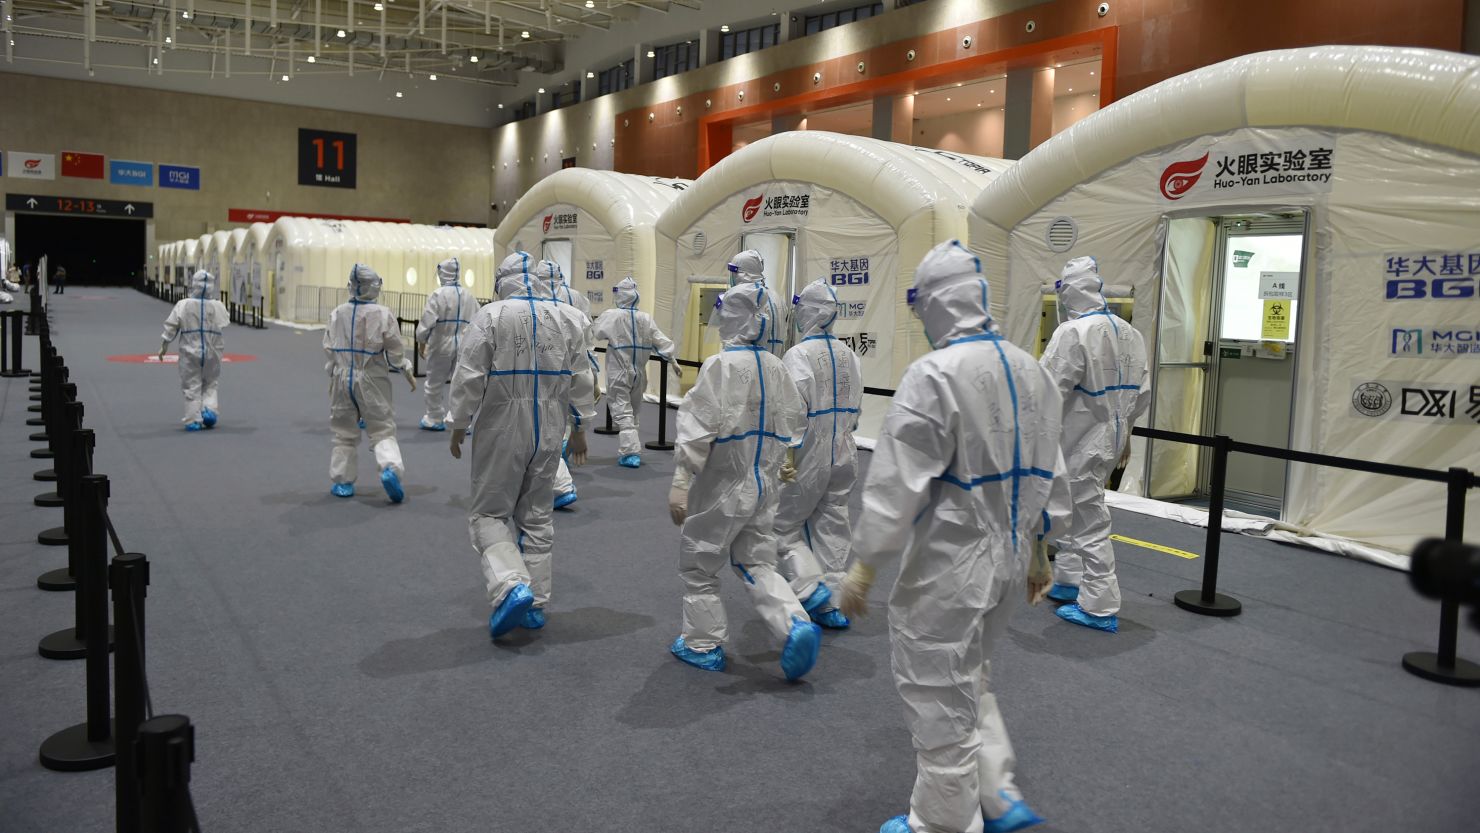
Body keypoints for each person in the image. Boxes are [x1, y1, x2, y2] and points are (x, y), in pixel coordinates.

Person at [838, 241, 1069, 833]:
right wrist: (1042, 553)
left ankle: (940, 824)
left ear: (937, 303)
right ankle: (997, 794)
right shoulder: (1031, 369)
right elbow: (1051, 473)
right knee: (973, 673)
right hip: (1011, 556)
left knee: (937, 689)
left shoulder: (934, 376)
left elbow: (897, 486)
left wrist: (864, 565)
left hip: (951, 562)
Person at [666, 281, 821, 680]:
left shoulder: (721, 365)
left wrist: (681, 481)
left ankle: (702, 644)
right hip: (765, 483)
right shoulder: (775, 365)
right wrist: (784, 459)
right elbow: (794, 422)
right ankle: (795, 622)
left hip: (722, 485)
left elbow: (697, 428)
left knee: (700, 563)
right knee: (757, 561)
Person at [447, 252, 595, 638]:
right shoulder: (569, 317)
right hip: (550, 427)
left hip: (501, 425)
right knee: (537, 516)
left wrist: (458, 424)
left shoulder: (492, 315)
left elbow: (469, 376)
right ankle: (537, 604)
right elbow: (583, 377)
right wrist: (580, 427)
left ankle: (511, 584)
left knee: (489, 515)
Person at [1039, 256, 1151, 633]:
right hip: (1111, 440)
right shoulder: (1129, 333)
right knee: (1078, 507)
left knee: (1088, 519)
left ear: (1068, 291)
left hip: (1078, 440)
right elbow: (1142, 394)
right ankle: (1070, 579)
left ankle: (1100, 605)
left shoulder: (1072, 333)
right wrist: (1126, 437)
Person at [772, 279, 862, 630]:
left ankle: (810, 588)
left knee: (783, 525)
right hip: (844, 448)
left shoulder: (798, 355)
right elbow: (856, 405)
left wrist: (788, 454)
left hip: (809, 450)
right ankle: (833, 605)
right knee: (834, 522)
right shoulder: (848, 353)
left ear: (807, 312)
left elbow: (793, 410)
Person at [324, 264, 416, 502]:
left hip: (342, 378)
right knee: (382, 428)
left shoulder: (337, 313)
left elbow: (329, 348)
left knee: (343, 433)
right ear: (374, 286)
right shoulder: (382, 314)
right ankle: (389, 469)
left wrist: (333, 371)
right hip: (372, 380)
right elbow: (395, 352)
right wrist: (405, 367)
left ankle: (342, 482)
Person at [591, 276, 681, 468]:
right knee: (634, 412)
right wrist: (672, 360)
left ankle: (630, 453)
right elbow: (661, 342)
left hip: (619, 371)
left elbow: (596, 333)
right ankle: (632, 449)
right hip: (640, 373)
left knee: (622, 413)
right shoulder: (645, 318)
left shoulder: (612, 315)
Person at [535, 260, 598, 508]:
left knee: (540, 430)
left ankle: (560, 483)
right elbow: (586, 352)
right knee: (555, 422)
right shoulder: (577, 306)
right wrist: (594, 378)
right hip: (569, 372)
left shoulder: (525, 309)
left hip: (536, 377)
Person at [158, 269, 228, 431]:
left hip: (190, 350)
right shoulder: (218, 306)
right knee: (210, 383)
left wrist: (164, 345)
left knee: (191, 384)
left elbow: (172, 326)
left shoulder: (184, 305)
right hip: (213, 352)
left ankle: (193, 419)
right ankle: (209, 410)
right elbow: (224, 323)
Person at [415, 257, 479, 431]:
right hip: (463, 344)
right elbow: (478, 321)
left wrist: (421, 340)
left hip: (440, 343)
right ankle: (459, 421)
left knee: (434, 382)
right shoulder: (469, 296)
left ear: (442, 273)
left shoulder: (438, 295)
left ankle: (434, 417)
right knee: (460, 383)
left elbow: (427, 321)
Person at [726, 249, 786, 357]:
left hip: (747, 363)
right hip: (774, 364)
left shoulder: (742, 298)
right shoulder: (777, 298)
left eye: (733, 273)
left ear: (740, 273)